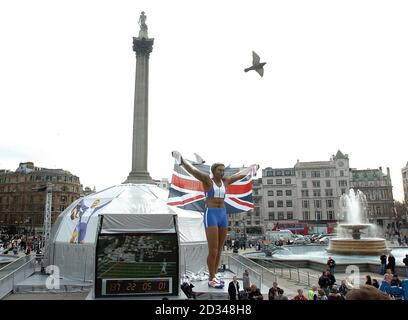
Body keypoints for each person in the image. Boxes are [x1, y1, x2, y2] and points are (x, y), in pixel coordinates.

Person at [172, 151, 258, 289]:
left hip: (223, 214)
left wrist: (251, 167)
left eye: (223, 170)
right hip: (211, 213)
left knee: (219, 250)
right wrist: (181, 160)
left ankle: (214, 274)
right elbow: (193, 171)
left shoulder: (226, 181)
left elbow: (239, 175)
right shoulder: (207, 180)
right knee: (213, 250)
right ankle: (211, 277)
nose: (222, 172)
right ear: (213, 171)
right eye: (219, 170)